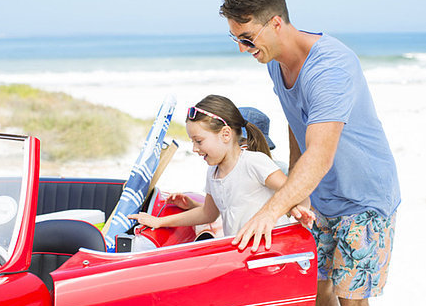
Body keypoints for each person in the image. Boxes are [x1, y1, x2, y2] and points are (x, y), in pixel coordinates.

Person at [220, 0, 401, 306]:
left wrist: (271, 210)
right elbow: (296, 120)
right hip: (320, 194)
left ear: (275, 23)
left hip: (364, 196)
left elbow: (320, 154)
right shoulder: (275, 62)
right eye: (236, 39)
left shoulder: (330, 68)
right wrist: (297, 191)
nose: (242, 48)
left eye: (246, 37)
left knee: (351, 298)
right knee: (314, 285)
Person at [128, 94, 313, 237]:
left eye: (199, 141)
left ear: (226, 134)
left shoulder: (254, 162)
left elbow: (297, 191)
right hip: (243, 252)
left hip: (272, 252)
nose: (194, 148)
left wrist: (300, 209)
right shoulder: (213, 172)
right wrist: (160, 222)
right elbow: (208, 213)